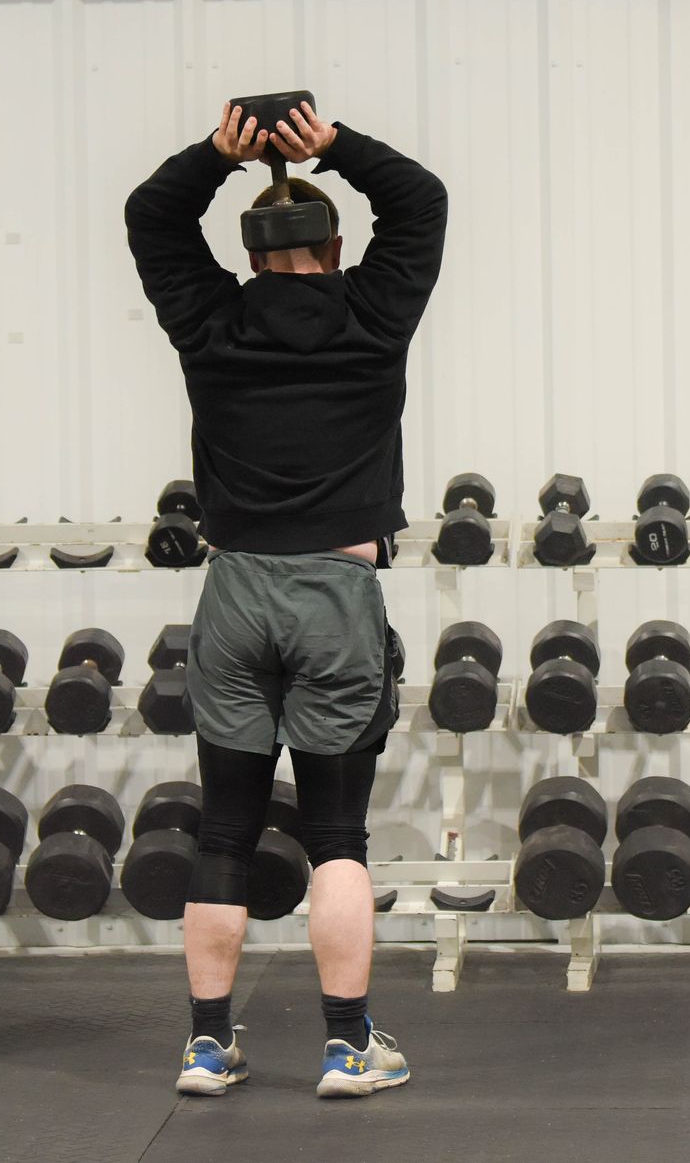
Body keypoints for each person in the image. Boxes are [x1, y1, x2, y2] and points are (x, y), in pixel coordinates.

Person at [125, 98, 446, 1097]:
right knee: (336, 835)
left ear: (251, 255)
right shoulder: (374, 313)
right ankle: (349, 1047)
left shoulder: (209, 320)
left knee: (224, 827)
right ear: (337, 243)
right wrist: (330, 146)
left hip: (233, 591)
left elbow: (152, 215)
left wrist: (218, 157)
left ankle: (209, 1047)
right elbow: (421, 198)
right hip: (335, 588)